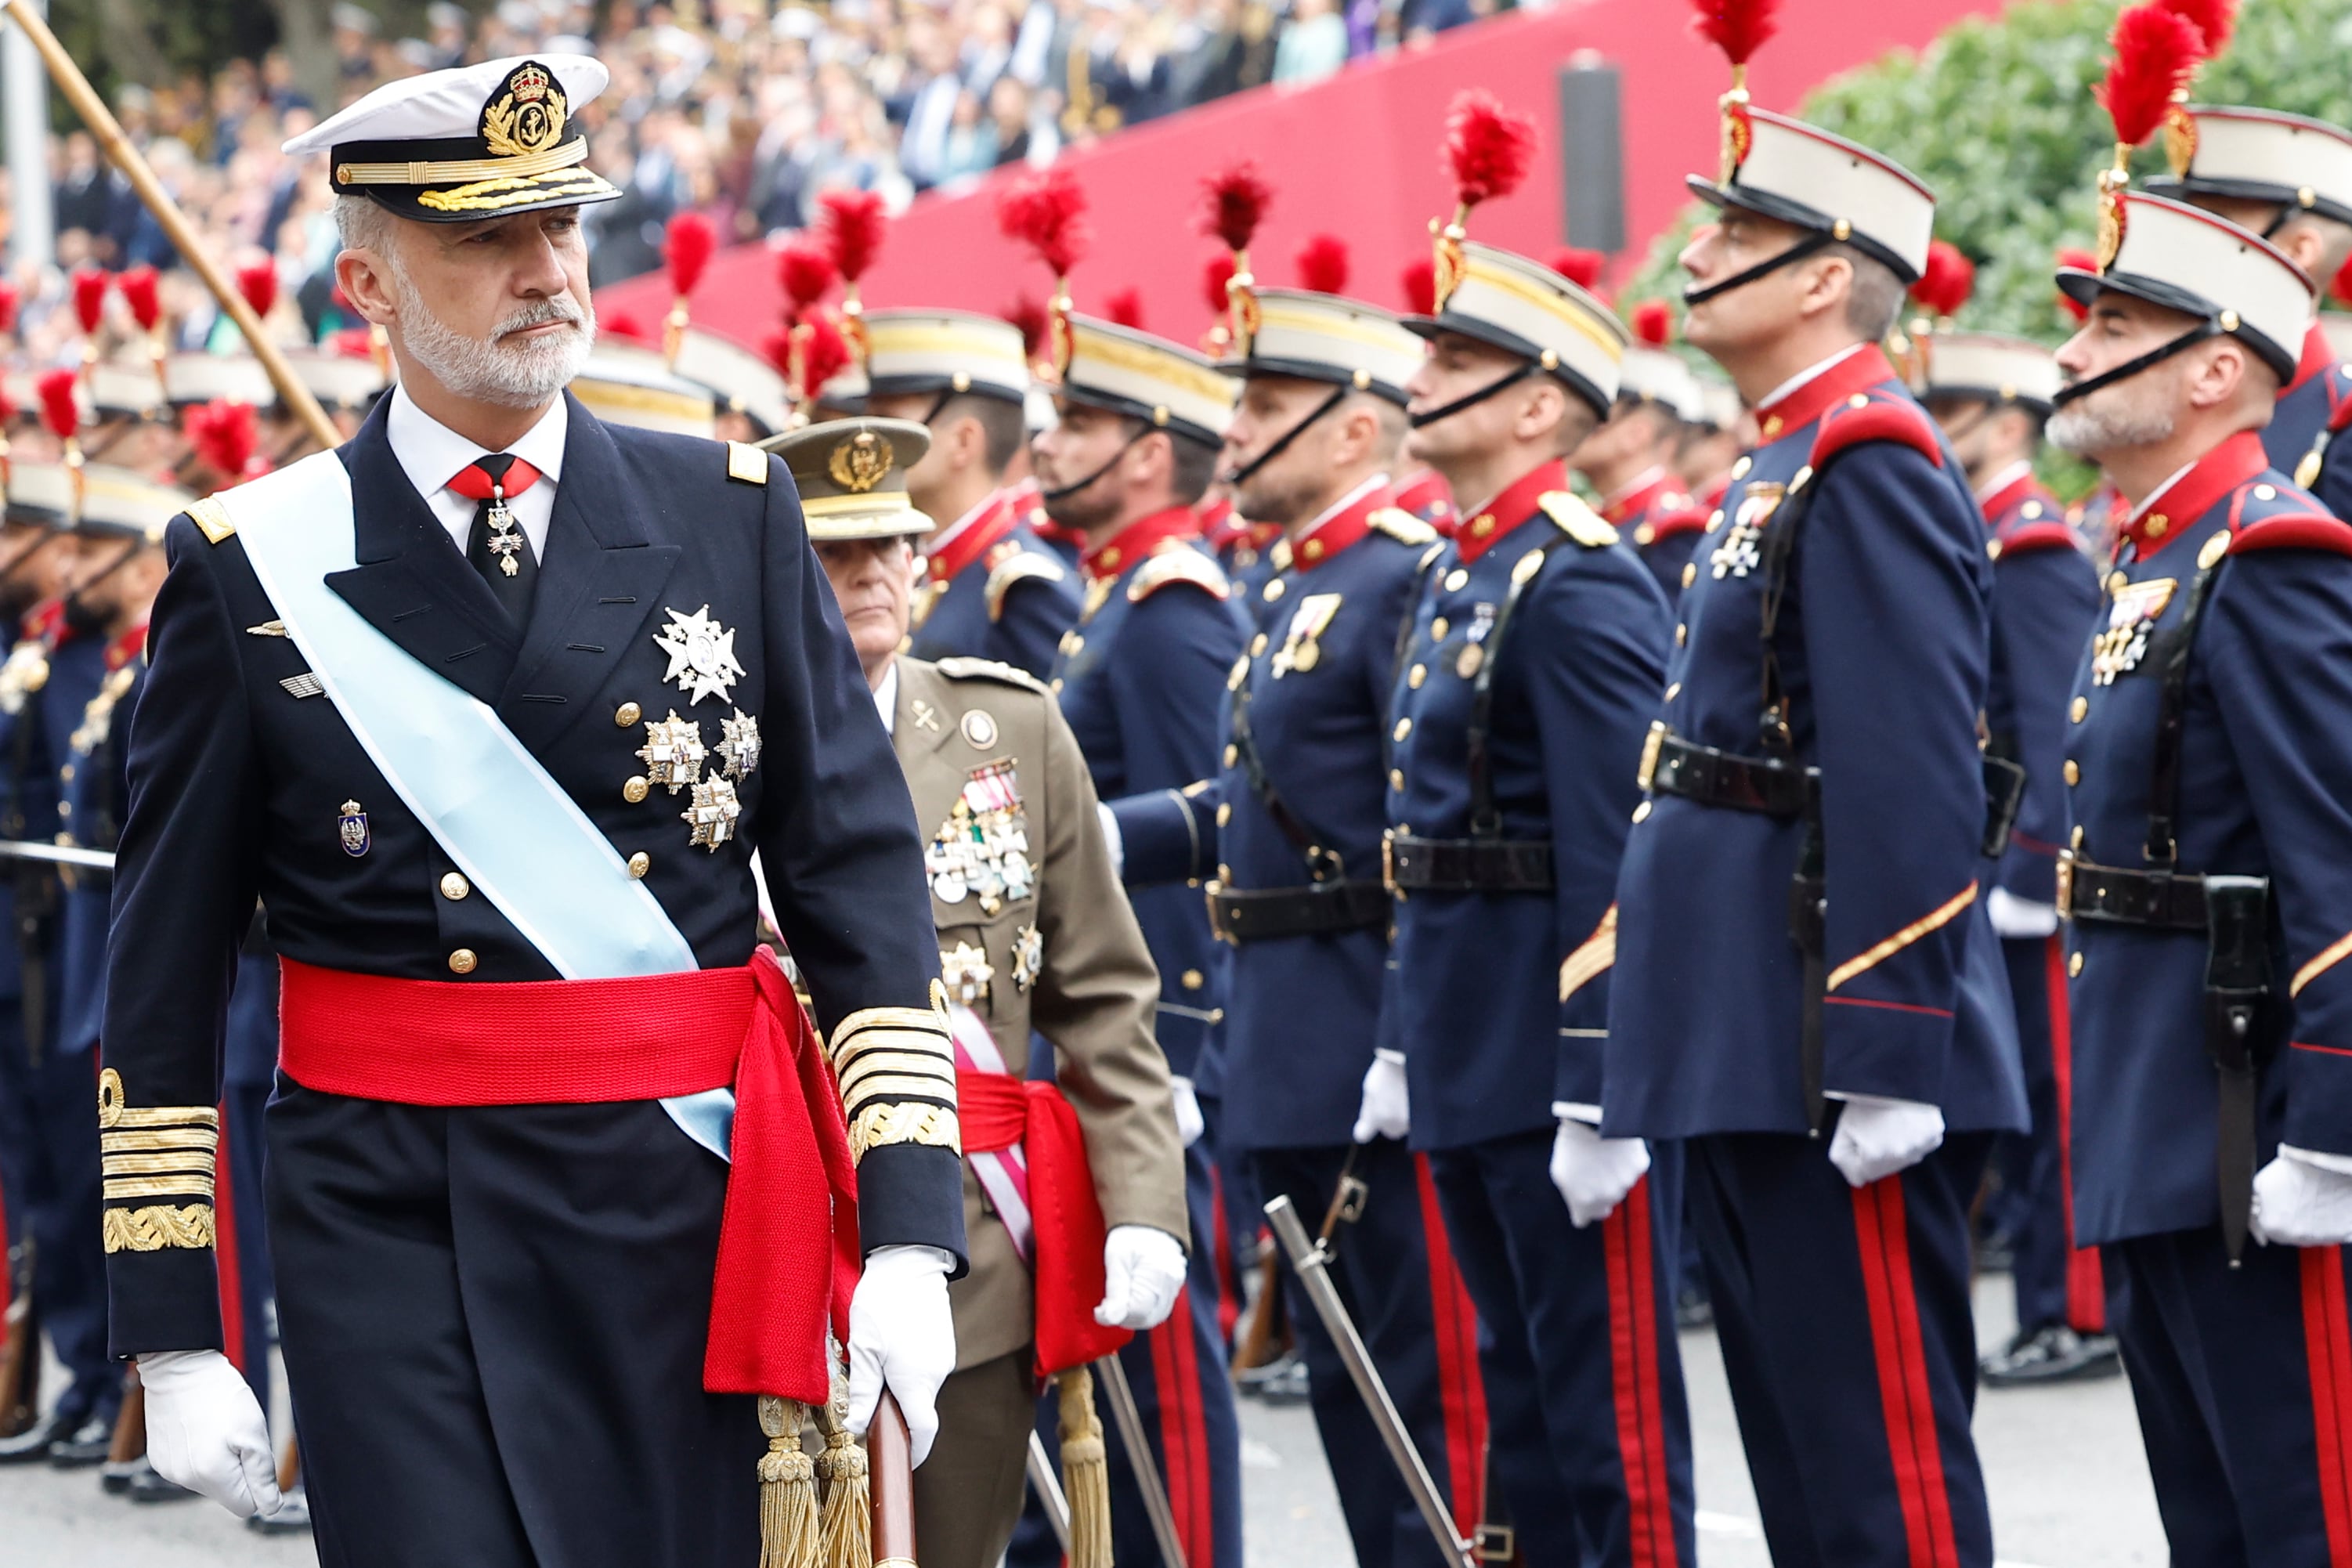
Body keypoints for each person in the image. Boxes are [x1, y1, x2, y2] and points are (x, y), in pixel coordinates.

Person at [99, 56, 965, 1563]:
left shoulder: (735, 515)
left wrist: (905, 1221)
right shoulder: (247, 568)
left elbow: (859, 888)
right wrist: (172, 1323)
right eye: (485, 239)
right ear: (366, 278)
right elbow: (164, 967)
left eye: (560, 226)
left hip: (683, 1198)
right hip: (389, 1221)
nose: (545, 271)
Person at [1600, 75, 2025, 1568]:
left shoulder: (1869, 458)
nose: (1694, 256)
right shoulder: (1777, 458)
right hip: (1737, 1030)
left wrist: (1890, 1044)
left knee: (1875, 1480)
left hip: (1818, 1039)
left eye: (1735, 232)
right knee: (1798, 1465)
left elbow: (1911, 767)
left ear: (1827, 272)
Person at [1106, 283, 1493, 1565]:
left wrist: (1401, 1035)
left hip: (1363, 1024)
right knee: (1347, 1388)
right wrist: (1108, 831)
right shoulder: (1289, 586)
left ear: (1350, 430)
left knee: (1426, 1392)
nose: (1233, 432)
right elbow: (1255, 803)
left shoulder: (1395, 581)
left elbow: (1420, 826)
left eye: (1265, 406)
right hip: (1279, 1030)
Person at [787, 414, 1189, 1568]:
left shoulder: (1004, 728)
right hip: (770, 1243)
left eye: (892, 546)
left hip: (971, 1253)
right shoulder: (708, 741)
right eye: (832, 552)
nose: (871, 573)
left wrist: (1143, 1202)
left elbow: (1103, 992)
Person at [2049, 179, 2352, 1565]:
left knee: (2305, 1522)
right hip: (2156, 1114)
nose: (2066, 350)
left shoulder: (2268, 554)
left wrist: (2332, 1126)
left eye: (2108, 321)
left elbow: (2332, 850)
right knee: (2212, 1527)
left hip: (2250, 1127)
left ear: (2215, 367)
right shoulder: (2152, 559)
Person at [1379, 233, 1693, 1565]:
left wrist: (1597, 1079)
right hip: (1467, 1044)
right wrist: (1405, 1037)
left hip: (1548, 1065)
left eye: (1455, 359)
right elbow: (1425, 833)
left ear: (1534, 404)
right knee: (1523, 1416)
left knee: (1606, 1428)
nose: (1419, 377)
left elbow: (1622, 848)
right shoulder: (1459, 571)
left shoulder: (1577, 580)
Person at [1028, 310, 1245, 1568]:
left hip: (1149, 1053)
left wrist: (1172, 1049)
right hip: (1096, 1045)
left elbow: (1186, 854)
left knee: (1166, 1383)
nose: (1051, 444)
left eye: (1085, 427)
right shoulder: (1112, 599)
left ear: (1153, 454)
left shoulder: (1166, 610)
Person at [1915, 328, 2113, 1387]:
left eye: (1948, 410)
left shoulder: (2028, 544)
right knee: (2025, 1102)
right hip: (1990, 871)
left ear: (2002, 422)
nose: (1930, 426)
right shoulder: (1982, 533)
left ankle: (2072, 1309)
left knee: (2054, 1098)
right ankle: (2050, 1303)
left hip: (2025, 881)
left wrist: (2031, 876)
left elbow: (2042, 729)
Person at [0, 457, 124, 1469]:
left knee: (79, 1181)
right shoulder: (47, 653)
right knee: (40, 1177)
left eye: (78, 549)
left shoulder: (88, 665)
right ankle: (73, 1374)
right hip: (24, 949)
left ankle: (96, 1374)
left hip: (59, 956)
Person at [2146, 104, 2352, 517]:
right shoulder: (2170, 401)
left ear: (2298, 251)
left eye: (2218, 227)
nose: (2186, 247)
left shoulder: (2342, 423)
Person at [858, 309, 1078, 677]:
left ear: (964, 441)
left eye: (889, 427)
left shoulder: (1022, 593)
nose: (865, 446)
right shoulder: (933, 569)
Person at [1573, 316, 1708, 598]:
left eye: (1598, 418)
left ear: (1636, 434)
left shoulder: (1671, 531)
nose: (1577, 427)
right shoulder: (1602, 516)